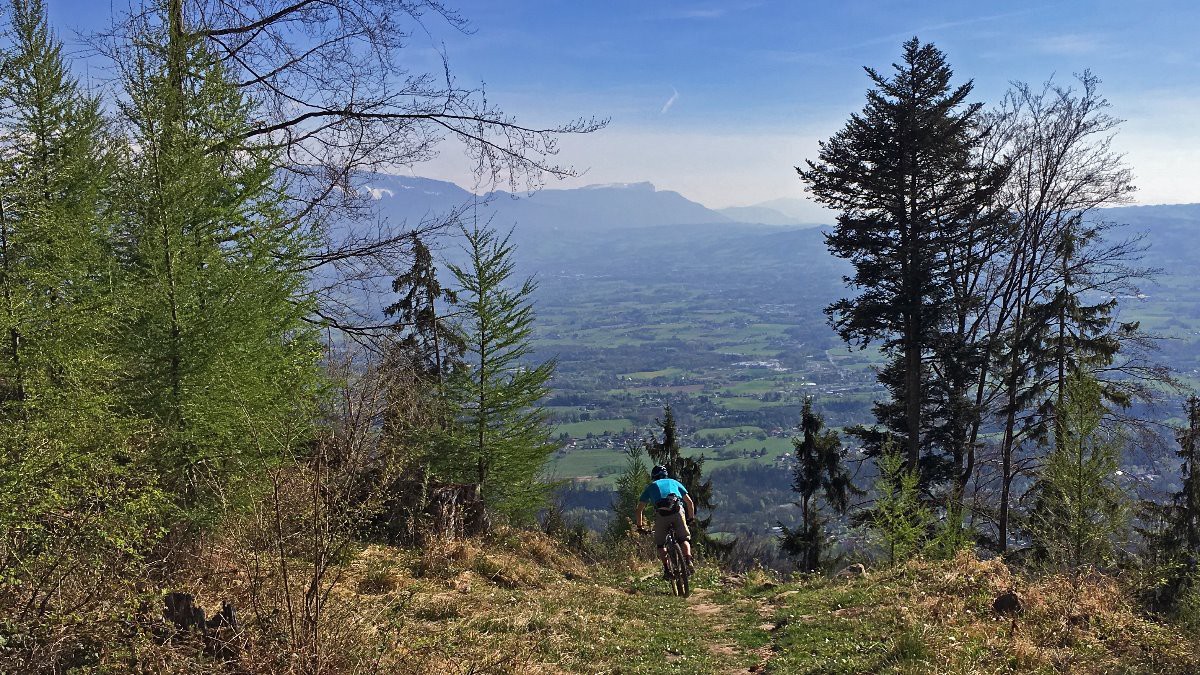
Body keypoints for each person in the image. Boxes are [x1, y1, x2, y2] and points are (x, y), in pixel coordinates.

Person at [635, 465, 696, 579]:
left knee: (660, 544)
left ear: (653, 477)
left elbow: (639, 509)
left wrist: (640, 526)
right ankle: (688, 560)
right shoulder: (674, 482)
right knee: (684, 539)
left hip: (661, 515)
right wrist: (691, 519)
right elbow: (689, 502)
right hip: (677, 511)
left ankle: (667, 571)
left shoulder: (651, 486)